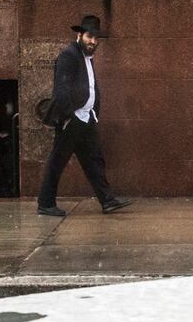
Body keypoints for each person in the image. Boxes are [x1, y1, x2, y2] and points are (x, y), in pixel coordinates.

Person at [37, 15, 131, 216]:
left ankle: (107, 200)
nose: (93, 41)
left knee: (94, 161)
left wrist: (93, 113)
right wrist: (68, 116)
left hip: (86, 118)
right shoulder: (69, 55)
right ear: (79, 35)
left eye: (96, 38)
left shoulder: (86, 56)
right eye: (89, 36)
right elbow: (61, 90)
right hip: (72, 120)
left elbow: (90, 86)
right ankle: (45, 204)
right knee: (57, 162)